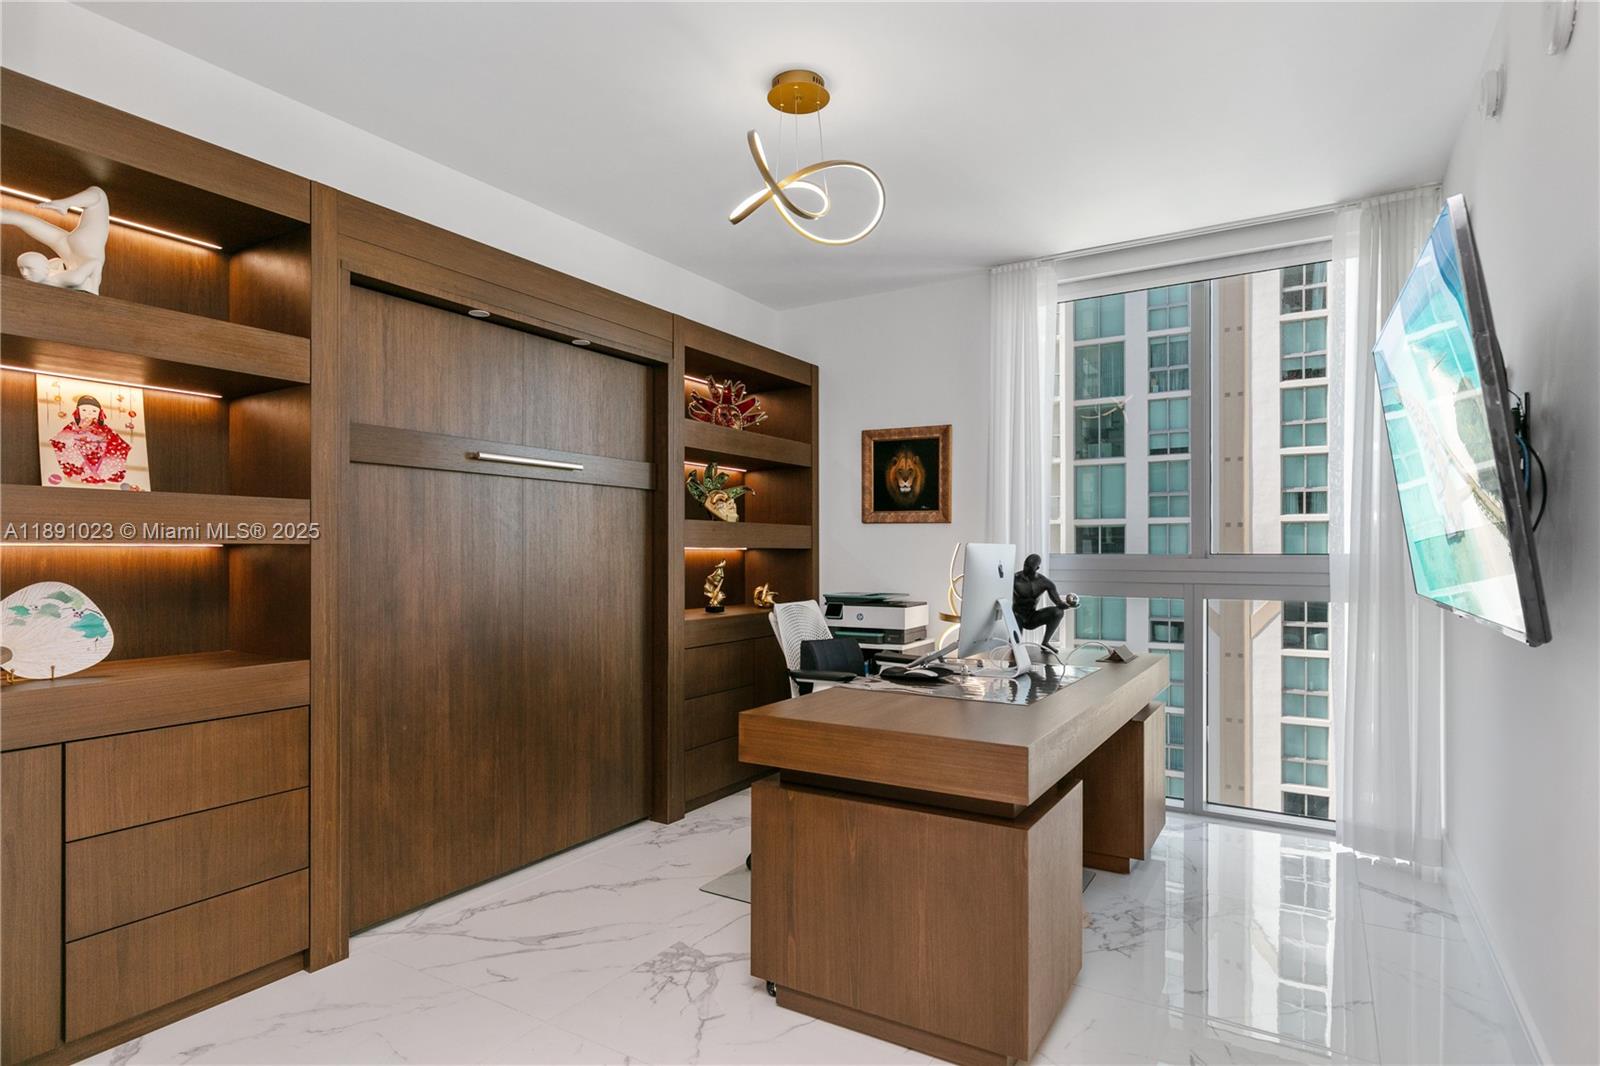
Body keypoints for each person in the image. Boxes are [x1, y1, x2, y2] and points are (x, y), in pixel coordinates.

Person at [1, 186, 110, 294]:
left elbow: (95, 264)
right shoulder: (61, 277)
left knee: (99, 195)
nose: (25, 273)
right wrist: (95, 291)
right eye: (22, 268)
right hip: (79, 253)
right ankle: (64, 204)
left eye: (28, 268)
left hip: (75, 253)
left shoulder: (57, 276)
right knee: (99, 195)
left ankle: (64, 204)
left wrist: (95, 289)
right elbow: (95, 264)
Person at [49, 395, 133, 487]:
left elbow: (121, 445)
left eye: (94, 411)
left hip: (102, 462)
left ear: (99, 414)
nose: (89, 414)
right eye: (84, 410)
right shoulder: (71, 427)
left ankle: (100, 473)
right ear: (78, 412)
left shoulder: (106, 430)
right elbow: (59, 442)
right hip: (79, 462)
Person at [1011, 553, 1077, 652]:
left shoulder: (1045, 582)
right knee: (1015, 647)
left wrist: (1067, 604)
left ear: (1037, 568)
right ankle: (1013, 644)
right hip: (1017, 616)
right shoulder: (1014, 579)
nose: (1026, 568)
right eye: (1025, 565)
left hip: (1032, 617)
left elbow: (1058, 603)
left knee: (1058, 612)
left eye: (1029, 567)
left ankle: (1045, 643)